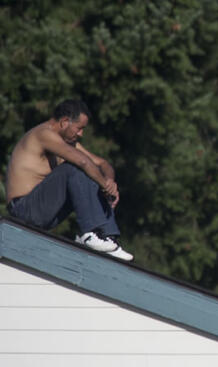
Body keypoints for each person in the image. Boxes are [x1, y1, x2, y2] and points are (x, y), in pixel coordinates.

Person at [5, 99, 133, 261]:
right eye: (79, 128)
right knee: (76, 167)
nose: (81, 134)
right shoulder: (44, 134)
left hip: (44, 212)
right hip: (23, 209)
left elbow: (102, 163)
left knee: (92, 172)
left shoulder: (66, 142)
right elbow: (82, 162)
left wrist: (110, 182)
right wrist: (105, 187)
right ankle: (90, 233)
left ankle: (107, 237)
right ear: (65, 122)